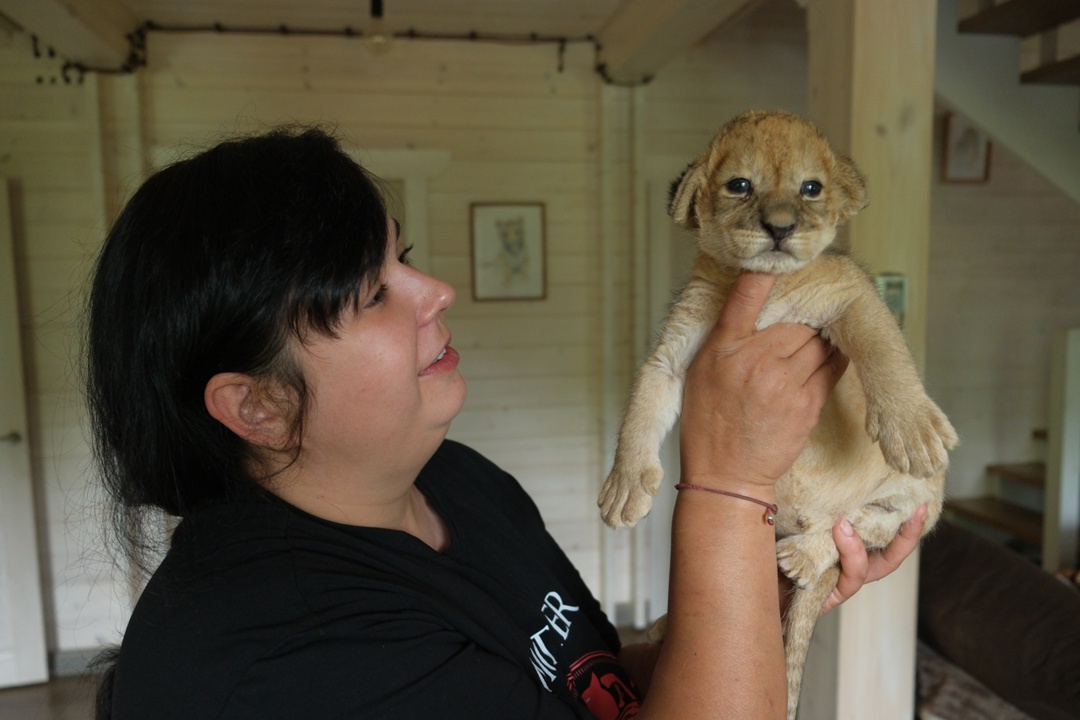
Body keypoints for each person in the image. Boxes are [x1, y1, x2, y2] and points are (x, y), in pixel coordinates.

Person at [85, 125, 926, 720]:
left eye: (402, 258)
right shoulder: (287, 658)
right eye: (374, 294)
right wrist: (730, 490)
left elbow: (584, 688)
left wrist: (760, 585)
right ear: (257, 405)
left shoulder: (455, 480)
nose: (436, 291)